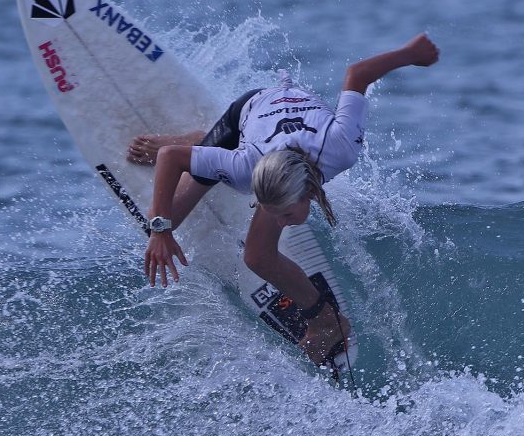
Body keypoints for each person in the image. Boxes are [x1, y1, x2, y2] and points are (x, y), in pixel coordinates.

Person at [131, 33, 440, 366]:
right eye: (271, 210)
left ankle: (325, 321)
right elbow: (169, 157)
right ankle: (203, 144)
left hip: (288, 129)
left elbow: (357, 74)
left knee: (257, 256)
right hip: (249, 111)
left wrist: (410, 53)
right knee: (170, 215)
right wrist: (161, 229)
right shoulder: (244, 165)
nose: (279, 223)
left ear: (309, 191)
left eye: (284, 213)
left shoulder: (340, 147)